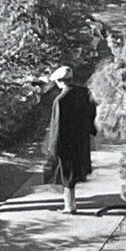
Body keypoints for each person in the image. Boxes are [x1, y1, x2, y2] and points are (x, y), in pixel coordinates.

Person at [43, 65, 97, 214]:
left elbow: (57, 126)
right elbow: (91, 113)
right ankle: (71, 204)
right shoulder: (84, 92)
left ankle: (69, 205)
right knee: (74, 173)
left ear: (60, 81)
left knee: (66, 175)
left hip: (66, 143)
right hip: (81, 140)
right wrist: (91, 130)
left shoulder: (60, 100)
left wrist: (53, 147)